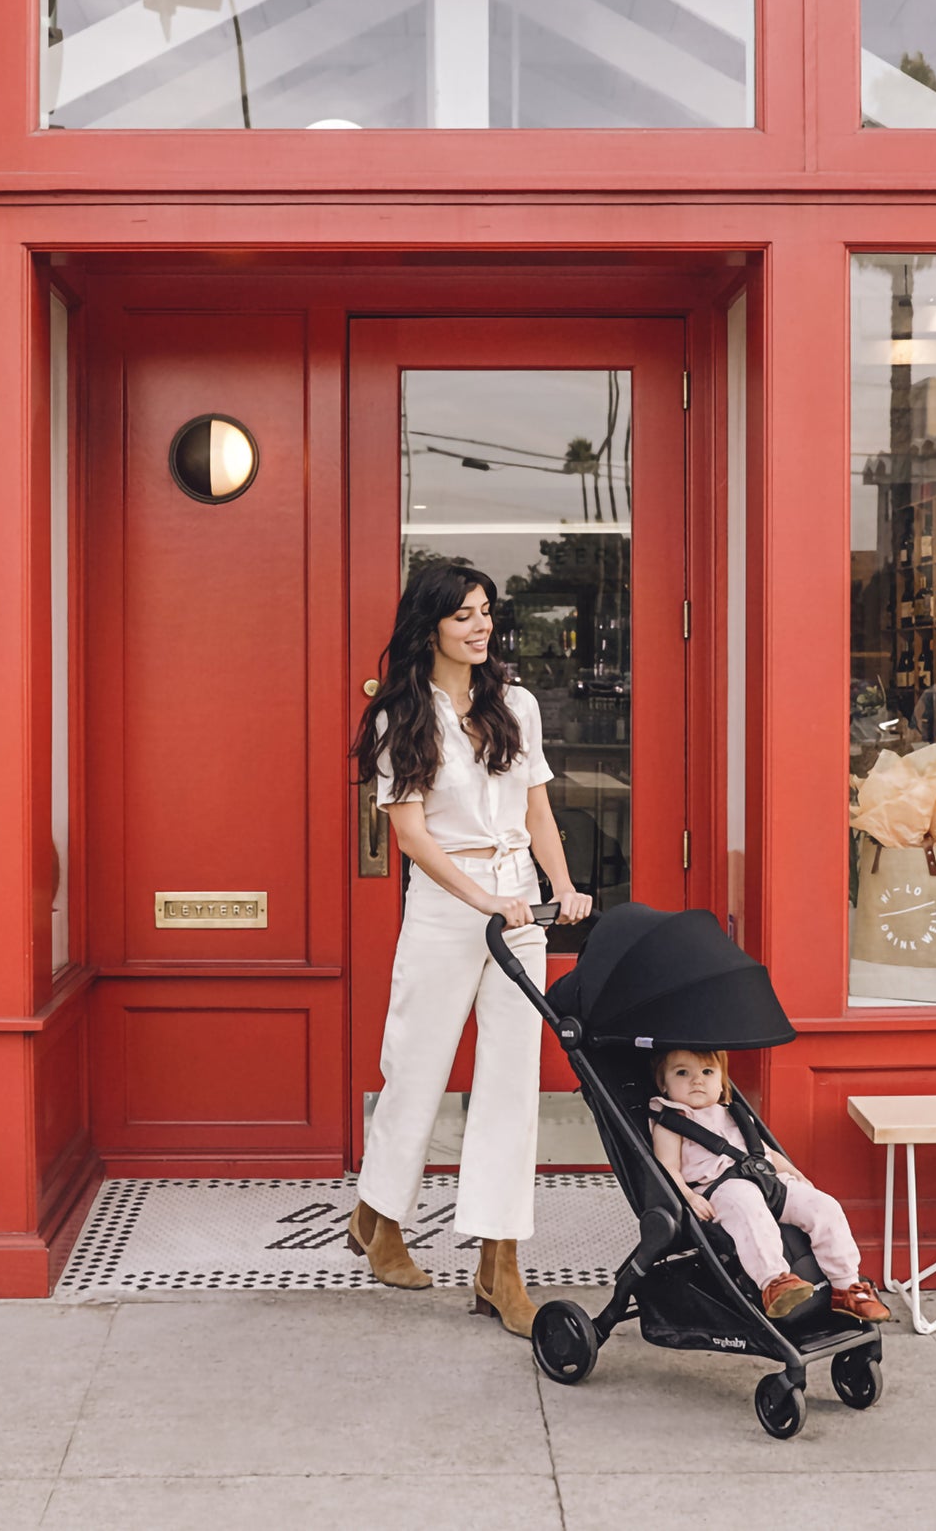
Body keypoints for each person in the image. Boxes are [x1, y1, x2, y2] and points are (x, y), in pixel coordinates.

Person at [347, 561, 593, 1335]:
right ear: (430, 628)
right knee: (415, 1067)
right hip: (449, 908)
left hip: (518, 902)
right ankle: (380, 1215)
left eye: (486, 611)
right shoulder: (402, 716)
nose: (481, 626)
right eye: (463, 615)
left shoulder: (516, 703)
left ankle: (499, 1260)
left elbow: (538, 809)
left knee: (512, 1087)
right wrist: (481, 896)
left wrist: (562, 885)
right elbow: (412, 834)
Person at [647, 1047, 889, 1324]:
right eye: (682, 1073)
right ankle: (775, 1281)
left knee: (824, 1206)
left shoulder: (734, 1115)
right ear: (663, 1084)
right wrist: (687, 1196)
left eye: (707, 1072)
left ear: (722, 1080)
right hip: (721, 1190)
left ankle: (846, 1286)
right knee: (746, 1203)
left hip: (766, 1180)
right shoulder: (671, 1121)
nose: (697, 1080)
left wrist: (793, 1172)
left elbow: (765, 1153)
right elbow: (667, 1167)